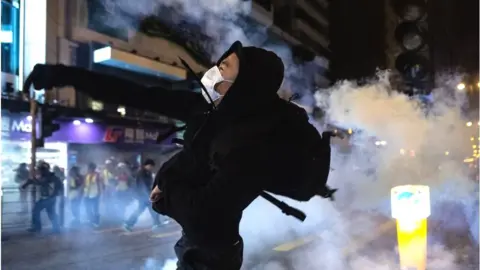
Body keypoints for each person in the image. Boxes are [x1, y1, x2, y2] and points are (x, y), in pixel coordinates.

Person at [28, 41, 313, 269]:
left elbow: (204, 214)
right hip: (193, 243)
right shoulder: (206, 110)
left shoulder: (253, 144)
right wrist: (63, 75)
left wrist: (166, 190)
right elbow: (136, 94)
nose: (214, 69)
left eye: (224, 66)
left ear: (245, 84)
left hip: (213, 255)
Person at [124, 159, 167, 232]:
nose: (151, 168)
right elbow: (142, 185)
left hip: (146, 194)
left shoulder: (147, 172)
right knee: (144, 209)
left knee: (149, 209)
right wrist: (148, 194)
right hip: (142, 195)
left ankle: (156, 223)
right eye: (150, 166)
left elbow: (149, 184)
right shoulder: (141, 173)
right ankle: (129, 223)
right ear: (146, 165)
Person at [22, 162, 63, 233]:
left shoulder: (48, 177)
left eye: (40, 169)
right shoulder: (53, 177)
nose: (39, 171)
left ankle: (37, 227)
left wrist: (28, 182)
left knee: (36, 210)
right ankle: (56, 228)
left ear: (44, 170)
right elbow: (60, 186)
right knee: (51, 213)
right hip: (51, 198)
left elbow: (40, 182)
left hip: (47, 198)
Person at [83, 162, 102, 227]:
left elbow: (99, 184)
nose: (89, 169)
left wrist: (99, 193)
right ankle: (90, 219)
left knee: (95, 209)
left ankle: (96, 222)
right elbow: (85, 184)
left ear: (93, 168)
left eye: (90, 168)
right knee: (88, 208)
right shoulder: (87, 175)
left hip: (95, 194)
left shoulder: (97, 175)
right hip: (87, 194)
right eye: (89, 168)